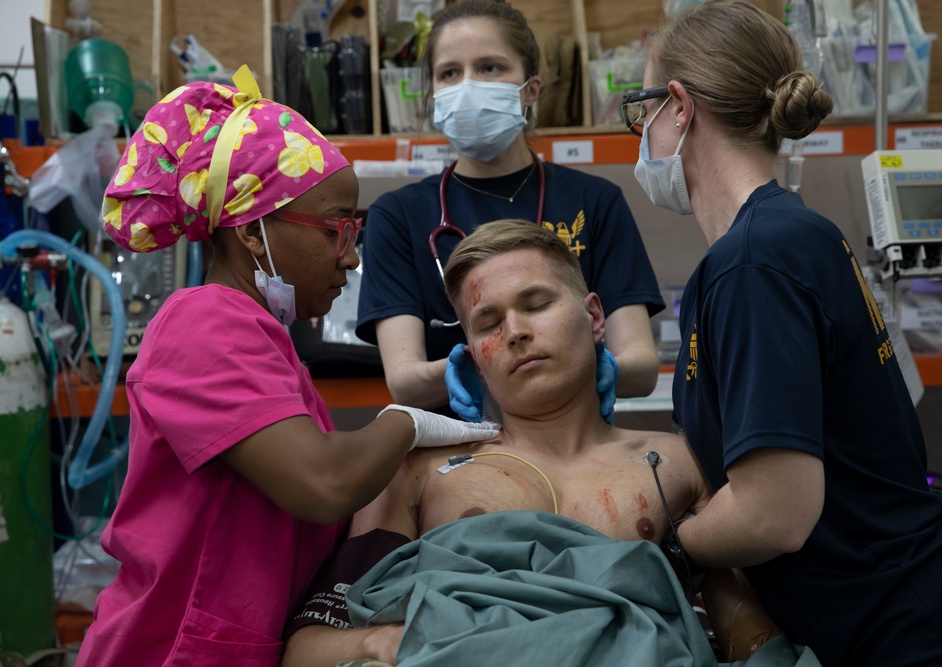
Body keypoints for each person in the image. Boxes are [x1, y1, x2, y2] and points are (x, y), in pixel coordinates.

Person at [75, 68, 497, 667]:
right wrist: (408, 424)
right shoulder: (204, 324)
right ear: (251, 231)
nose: (352, 258)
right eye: (337, 230)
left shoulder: (264, 340)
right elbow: (323, 483)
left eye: (356, 230)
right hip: (170, 649)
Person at [627, 2, 942, 666]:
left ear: (679, 107)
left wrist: (676, 544)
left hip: (907, 632)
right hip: (902, 612)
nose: (641, 133)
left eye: (643, 110)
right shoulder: (791, 233)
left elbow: (776, 511)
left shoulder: (752, 263)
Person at [281, 220, 809, 667]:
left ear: (595, 316)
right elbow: (307, 646)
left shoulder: (679, 461)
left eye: (536, 304)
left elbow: (749, 641)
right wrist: (381, 641)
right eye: (488, 321)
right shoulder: (415, 472)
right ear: (473, 355)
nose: (514, 332)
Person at [357, 0, 665, 422]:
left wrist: (559, 367)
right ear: (433, 94)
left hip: (577, 446)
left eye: (490, 68)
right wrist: (507, 364)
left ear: (531, 89)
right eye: (449, 73)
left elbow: (641, 366)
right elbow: (405, 381)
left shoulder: (594, 200)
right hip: (457, 455)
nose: (468, 86)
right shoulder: (397, 215)